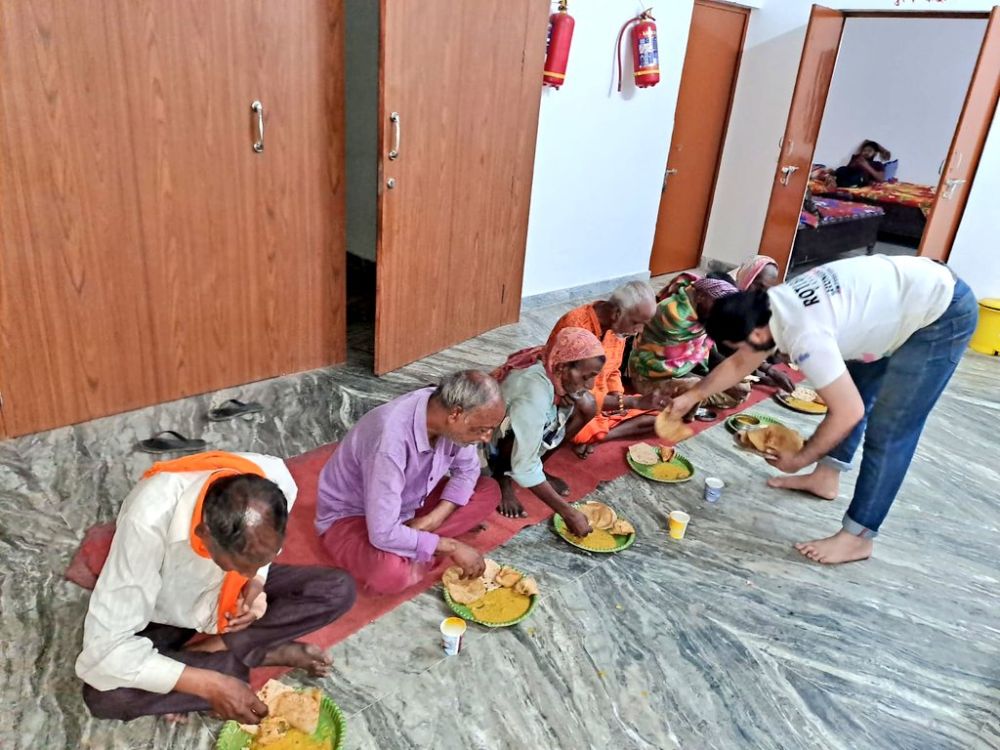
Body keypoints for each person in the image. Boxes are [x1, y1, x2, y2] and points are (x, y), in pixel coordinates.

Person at [664, 255, 977, 564]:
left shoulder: (807, 338)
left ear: (756, 335)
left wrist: (799, 459)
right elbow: (741, 362)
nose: (741, 355)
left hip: (940, 314)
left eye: (738, 346)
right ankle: (826, 477)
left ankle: (858, 538)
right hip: (896, 300)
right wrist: (693, 396)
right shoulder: (770, 306)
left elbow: (848, 413)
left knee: (890, 430)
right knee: (854, 388)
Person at [76, 451, 355, 724]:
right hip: (166, 607)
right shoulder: (147, 521)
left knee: (337, 589)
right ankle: (249, 654)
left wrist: (256, 582)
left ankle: (223, 652)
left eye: (259, 561)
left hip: (220, 599)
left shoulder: (273, 480)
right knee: (105, 696)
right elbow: (104, 652)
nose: (247, 572)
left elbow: (255, 564)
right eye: (240, 564)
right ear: (203, 534)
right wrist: (208, 685)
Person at [316, 371, 506, 595]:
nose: (486, 438)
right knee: (391, 574)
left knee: (488, 490)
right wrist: (452, 546)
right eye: (482, 430)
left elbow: (468, 470)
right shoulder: (389, 441)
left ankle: (417, 543)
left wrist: (432, 519)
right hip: (355, 516)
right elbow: (382, 532)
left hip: (410, 503)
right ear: (456, 414)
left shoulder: (444, 413)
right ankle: (422, 547)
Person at [489, 327, 605, 535]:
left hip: (531, 411)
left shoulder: (553, 363)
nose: (590, 384)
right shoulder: (534, 392)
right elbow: (524, 466)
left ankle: (539, 466)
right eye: (586, 377)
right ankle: (501, 475)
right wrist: (568, 513)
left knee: (586, 404)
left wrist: (560, 396)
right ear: (561, 368)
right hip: (491, 441)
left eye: (594, 376)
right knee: (520, 438)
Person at [544, 280, 665, 458]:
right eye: (636, 323)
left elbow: (614, 370)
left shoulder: (618, 330)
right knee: (585, 408)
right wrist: (627, 402)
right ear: (617, 313)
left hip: (605, 402)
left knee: (662, 414)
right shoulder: (576, 326)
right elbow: (573, 390)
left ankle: (599, 436)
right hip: (572, 402)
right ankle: (592, 436)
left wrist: (617, 395)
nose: (639, 330)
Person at [628, 276, 752, 408]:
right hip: (651, 377)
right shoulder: (673, 314)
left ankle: (691, 400)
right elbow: (671, 368)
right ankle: (688, 401)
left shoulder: (703, 315)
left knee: (742, 387)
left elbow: (706, 351)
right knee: (693, 386)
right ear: (701, 297)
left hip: (685, 372)